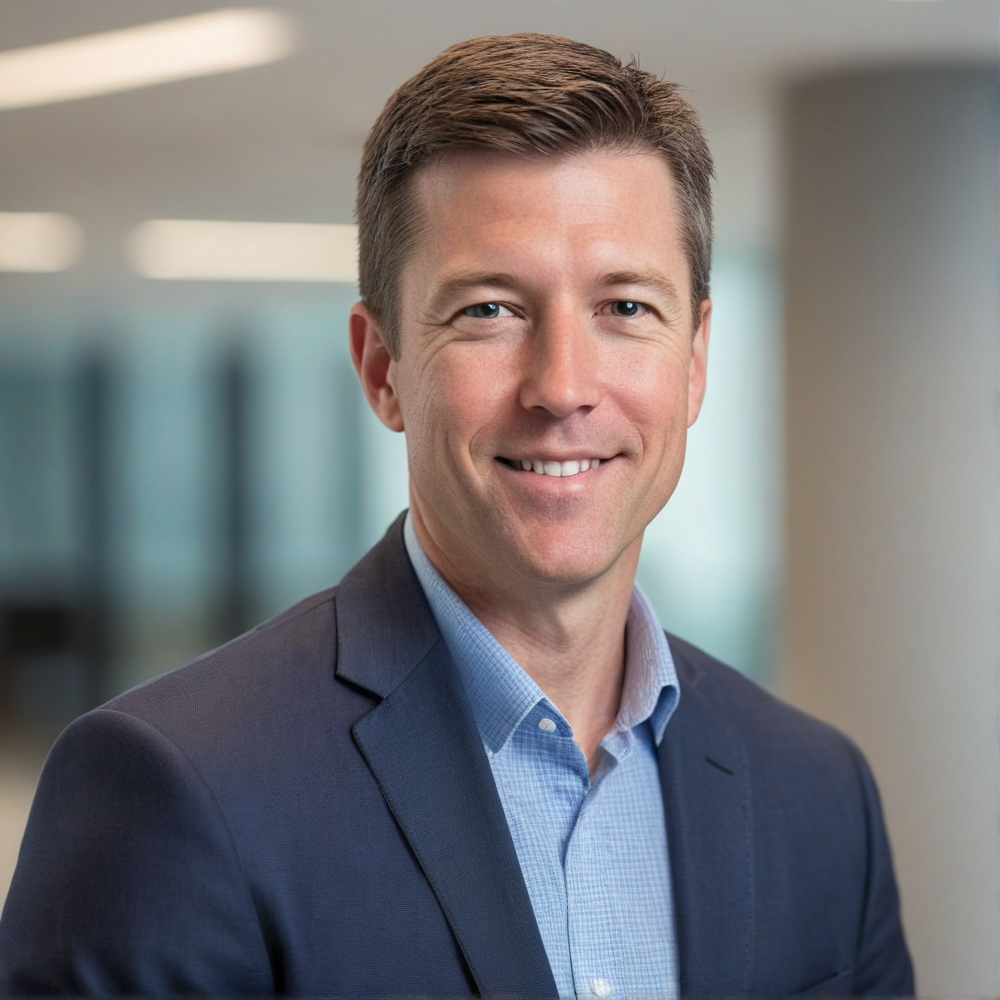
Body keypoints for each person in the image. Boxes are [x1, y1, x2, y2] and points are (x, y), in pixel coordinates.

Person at [0, 33, 913, 997]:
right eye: (488, 309)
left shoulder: (819, 797)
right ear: (381, 367)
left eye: (627, 307)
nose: (562, 386)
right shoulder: (173, 790)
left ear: (694, 362)